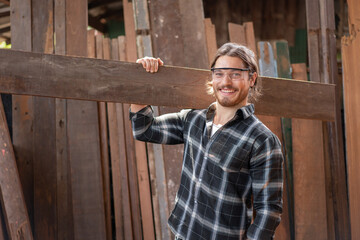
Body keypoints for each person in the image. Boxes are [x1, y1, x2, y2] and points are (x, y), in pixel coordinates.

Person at [130, 43, 283, 240]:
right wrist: (140, 77)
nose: (225, 82)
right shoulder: (193, 119)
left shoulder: (262, 140)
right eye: (219, 74)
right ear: (212, 78)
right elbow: (144, 130)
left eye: (235, 74)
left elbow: (269, 211)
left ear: (251, 78)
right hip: (182, 234)